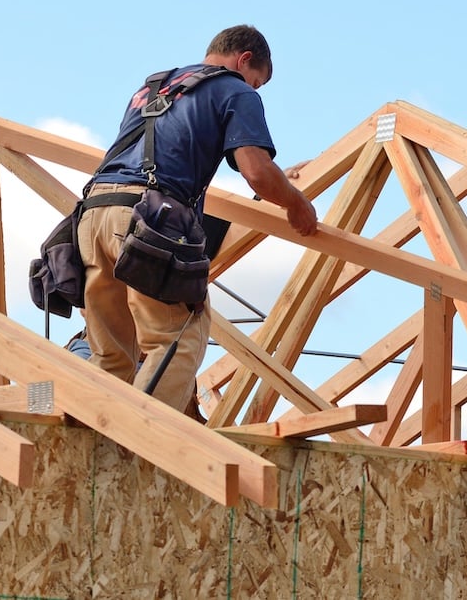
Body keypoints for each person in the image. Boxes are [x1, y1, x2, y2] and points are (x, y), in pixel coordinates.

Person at [77, 24, 318, 415]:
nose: (254, 90)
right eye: (257, 82)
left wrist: (269, 188)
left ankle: (99, 440)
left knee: (113, 354)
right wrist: (295, 204)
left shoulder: (154, 88)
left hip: (94, 215)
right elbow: (255, 170)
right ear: (244, 61)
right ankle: (140, 441)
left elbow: (166, 158)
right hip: (148, 218)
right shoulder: (234, 90)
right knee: (179, 339)